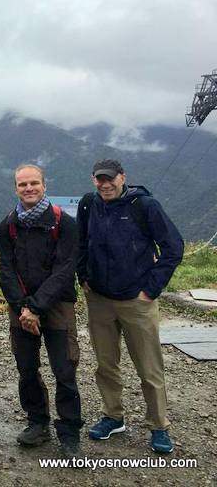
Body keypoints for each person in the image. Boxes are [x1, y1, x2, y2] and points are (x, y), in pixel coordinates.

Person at [77, 159, 184, 454]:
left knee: (149, 367)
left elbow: (174, 247)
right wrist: (83, 276)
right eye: (99, 179)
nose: (105, 184)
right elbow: (81, 243)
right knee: (105, 364)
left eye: (110, 179)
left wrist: (150, 290)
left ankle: (159, 426)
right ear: (93, 180)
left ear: (123, 178)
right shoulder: (89, 204)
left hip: (136, 302)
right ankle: (113, 416)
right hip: (99, 298)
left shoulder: (145, 206)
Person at [0, 164, 81, 455]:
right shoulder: (8, 225)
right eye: (23, 184)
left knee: (64, 369)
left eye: (34, 183)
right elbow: (5, 270)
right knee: (27, 369)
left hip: (57, 305)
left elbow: (64, 269)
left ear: (44, 185)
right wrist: (23, 307)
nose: (28, 188)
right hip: (21, 307)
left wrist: (35, 307)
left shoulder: (64, 223)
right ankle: (37, 422)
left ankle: (70, 433)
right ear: (15, 188)